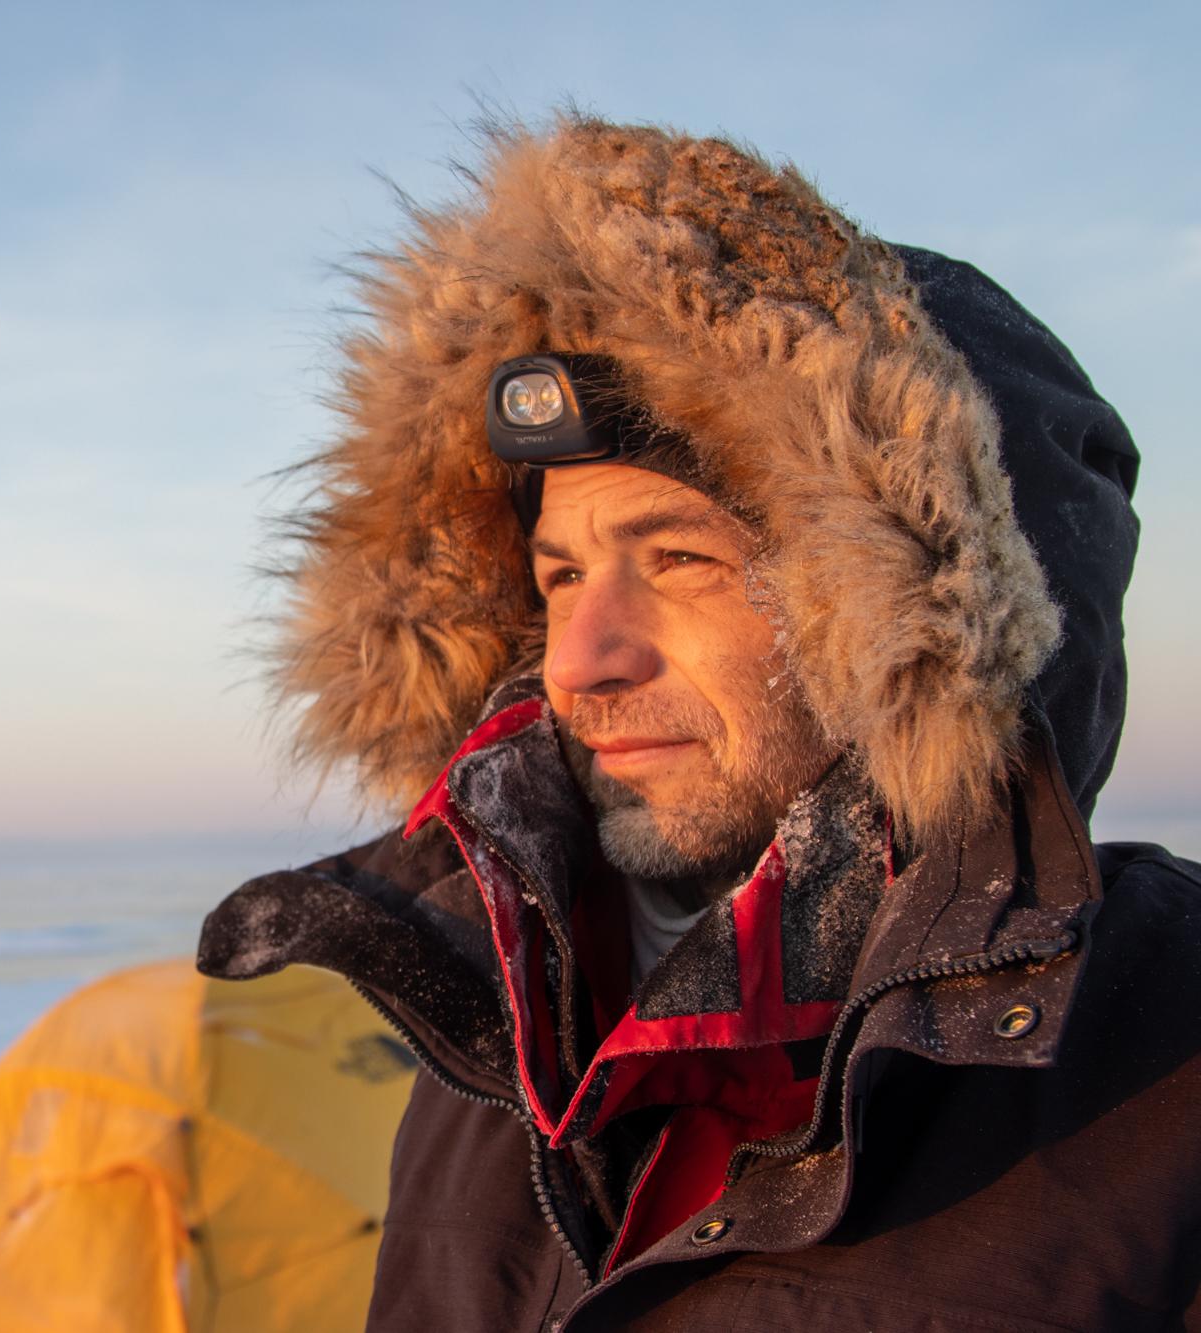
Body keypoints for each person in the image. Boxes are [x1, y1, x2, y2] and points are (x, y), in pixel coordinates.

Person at [197, 115, 1201, 1330]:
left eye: (675, 558)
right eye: (557, 575)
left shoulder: (1164, 1083)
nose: (577, 661)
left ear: (909, 611)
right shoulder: (499, 1058)